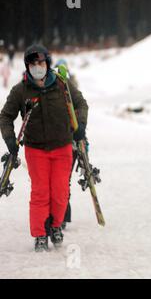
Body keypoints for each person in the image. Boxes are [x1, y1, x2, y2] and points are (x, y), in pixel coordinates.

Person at [0, 45, 88, 252]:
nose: (37, 67)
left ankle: (56, 225)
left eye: (41, 63)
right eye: (33, 64)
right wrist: (10, 139)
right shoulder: (21, 90)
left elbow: (81, 104)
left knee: (60, 192)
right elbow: (5, 116)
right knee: (40, 192)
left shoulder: (62, 85)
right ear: (27, 67)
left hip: (62, 147)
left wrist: (80, 125)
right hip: (36, 149)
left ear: (47, 64)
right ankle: (40, 233)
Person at [54, 59, 79, 230]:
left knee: (63, 182)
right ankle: (57, 216)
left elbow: (80, 127)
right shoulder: (51, 99)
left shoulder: (74, 100)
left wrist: (82, 142)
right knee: (59, 182)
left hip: (71, 146)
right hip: (56, 146)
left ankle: (62, 216)